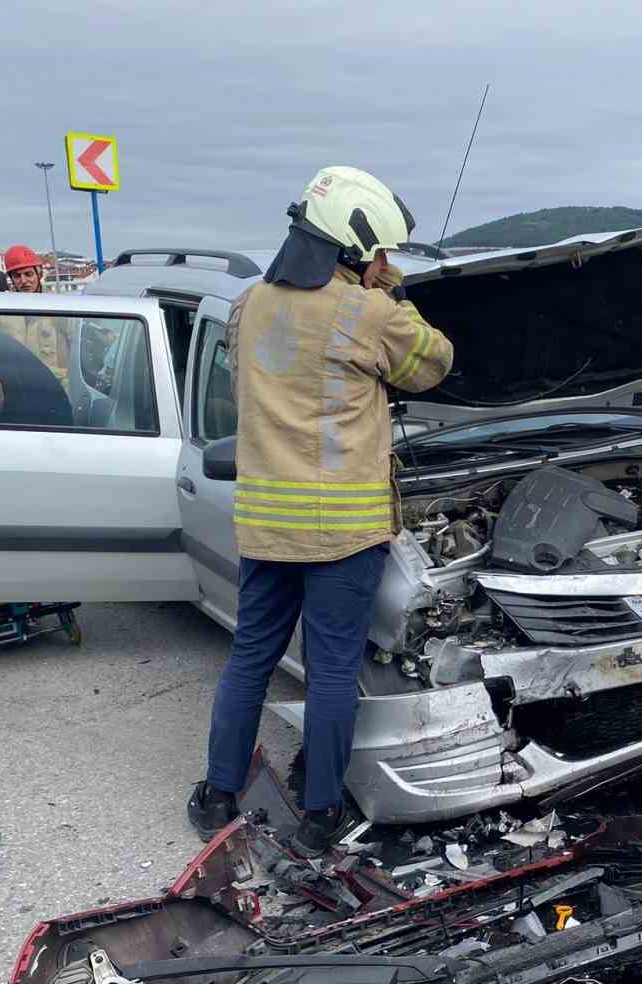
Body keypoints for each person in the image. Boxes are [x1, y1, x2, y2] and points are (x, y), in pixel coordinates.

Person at [186, 166, 454, 853]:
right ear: (351, 248)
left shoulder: (247, 305)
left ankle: (217, 794)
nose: (384, 264)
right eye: (378, 255)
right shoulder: (366, 310)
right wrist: (396, 294)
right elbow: (435, 363)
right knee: (333, 669)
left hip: (266, 522)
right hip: (341, 528)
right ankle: (321, 812)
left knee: (251, 656)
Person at [0, 244, 71, 388]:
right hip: (17, 386)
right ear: (11, 279)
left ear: (38, 274)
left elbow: (76, 341)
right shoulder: (0, 310)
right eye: (17, 276)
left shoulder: (60, 306)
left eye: (28, 274)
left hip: (56, 385)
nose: (23, 281)